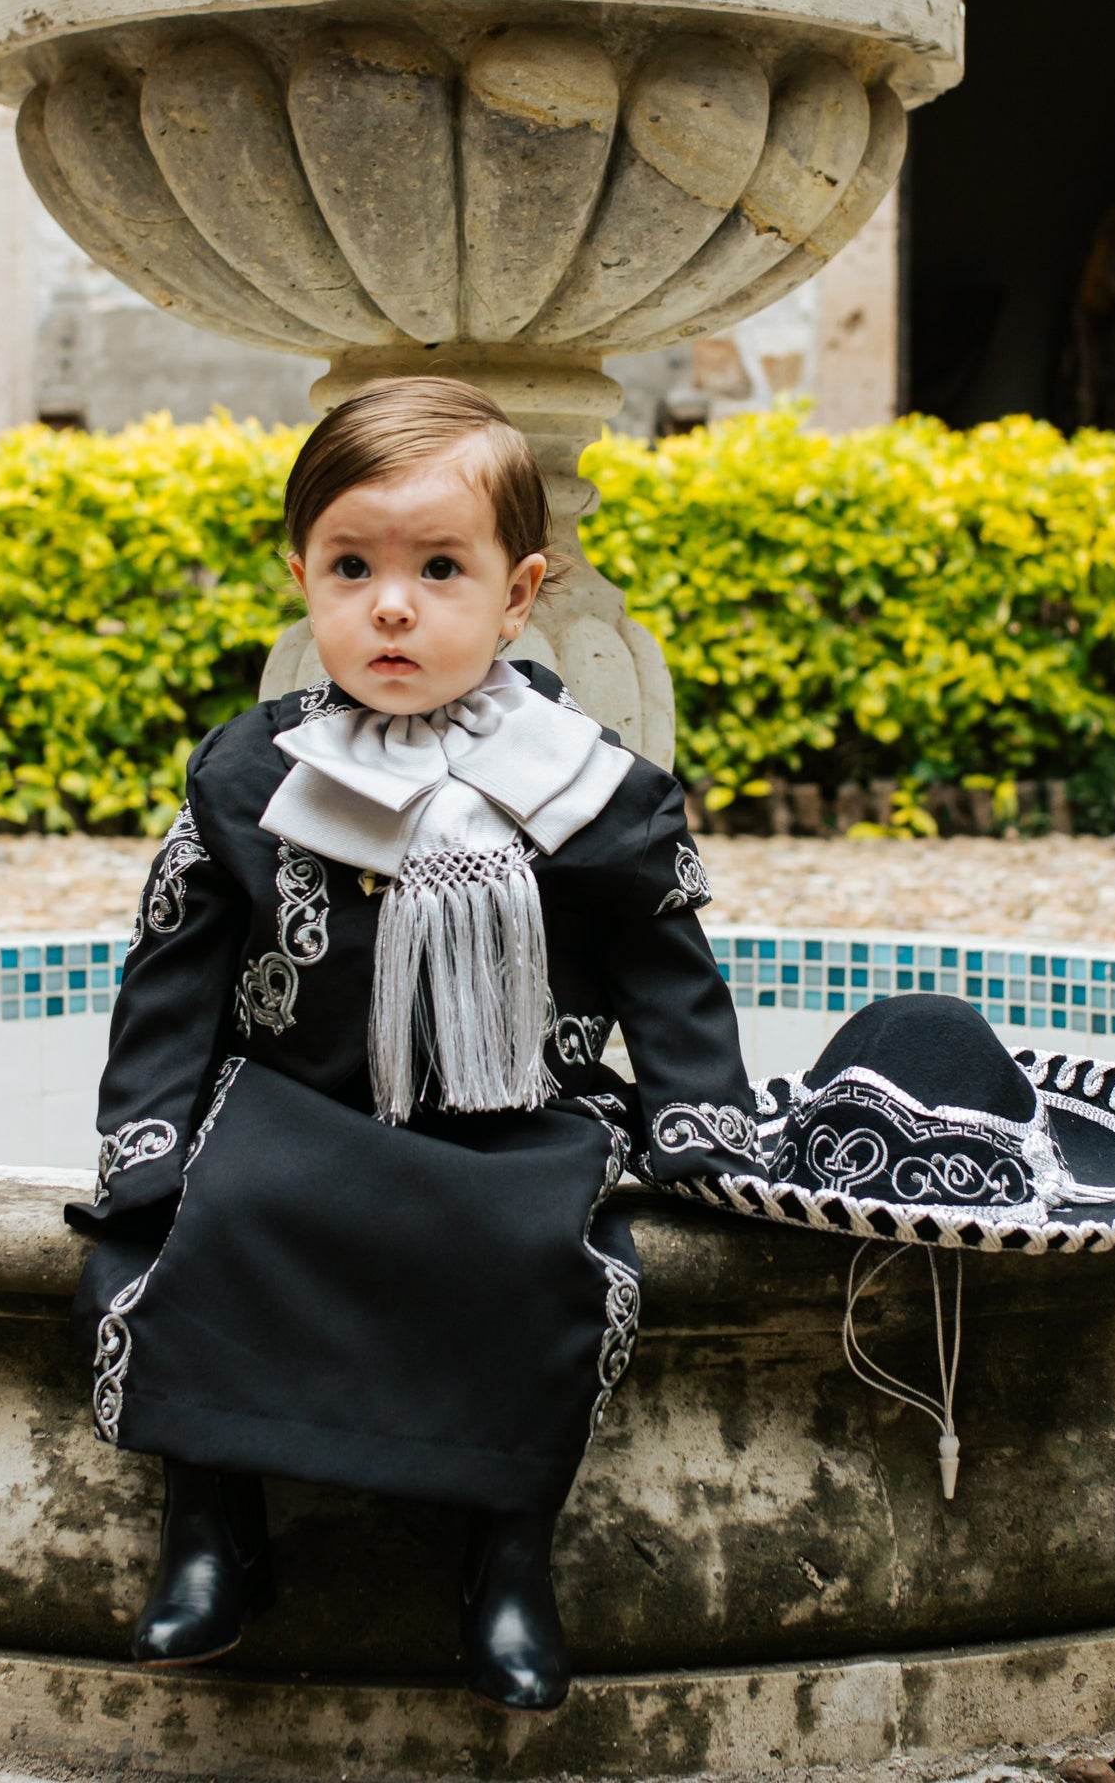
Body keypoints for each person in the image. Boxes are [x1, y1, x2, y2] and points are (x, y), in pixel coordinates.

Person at [65, 375, 773, 1712]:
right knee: (208, 1224)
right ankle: (211, 1529)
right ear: (302, 580)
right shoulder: (252, 775)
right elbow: (174, 967)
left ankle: (506, 1559)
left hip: (513, 1123)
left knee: (540, 1261)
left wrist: (701, 1123)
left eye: (440, 569)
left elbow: (663, 962)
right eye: (352, 568)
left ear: (517, 593)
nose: (391, 606)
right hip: (299, 1107)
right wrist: (146, 1134)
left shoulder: (586, 783)